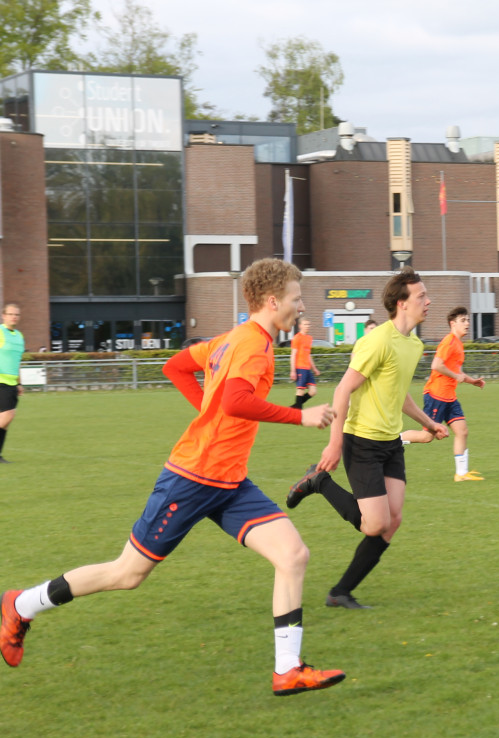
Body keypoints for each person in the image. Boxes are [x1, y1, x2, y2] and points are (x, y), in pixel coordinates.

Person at [0, 259, 347, 697]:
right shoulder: (252, 346)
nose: (300, 306)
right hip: (193, 478)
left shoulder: (230, 339)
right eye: (297, 298)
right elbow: (238, 402)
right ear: (273, 300)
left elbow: (177, 367)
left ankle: (288, 669)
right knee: (127, 574)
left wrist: (207, 411)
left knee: (293, 555)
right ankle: (21, 604)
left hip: (229, 481)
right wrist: (300, 417)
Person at [285, 269, 448, 610]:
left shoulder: (414, 344)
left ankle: (340, 592)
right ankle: (319, 481)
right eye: (421, 296)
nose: (428, 301)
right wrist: (333, 443)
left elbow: (399, 394)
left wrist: (429, 423)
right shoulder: (377, 341)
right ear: (402, 303)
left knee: (392, 521)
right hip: (360, 440)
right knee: (375, 523)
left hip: (390, 443)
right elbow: (343, 389)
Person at [402, 305, 486, 482]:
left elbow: (457, 372)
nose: (467, 323)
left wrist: (473, 381)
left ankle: (461, 474)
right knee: (426, 437)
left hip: (449, 397)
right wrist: (456, 376)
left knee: (462, 431)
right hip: (436, 396)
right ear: (452, 324)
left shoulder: (459, 344)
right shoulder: (449, 342)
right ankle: (394, 440)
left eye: (468, 320)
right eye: (463, 320)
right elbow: (436, 365)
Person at [0, 303, 24, 463]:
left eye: (16, 314)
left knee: (5, 421)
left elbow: (17, 361)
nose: (14, 316)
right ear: (4, 315)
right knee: (8, 415)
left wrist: (19, 383)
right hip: (1, 381)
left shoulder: (19, 336)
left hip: (11, 383)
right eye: (10, 314)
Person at [289, 317, 320, 409]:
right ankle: (298, 409)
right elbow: (293, 355)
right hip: (300, 367)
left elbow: (308, 354)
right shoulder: (297, 338)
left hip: (307, 369)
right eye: (305, 324)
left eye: (308, 324)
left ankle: (296, 406)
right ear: (300, 326)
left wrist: (314, 368)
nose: (307, 326)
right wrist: (293, 371)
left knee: (313, 391)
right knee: (300, 390)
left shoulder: (309, 338)